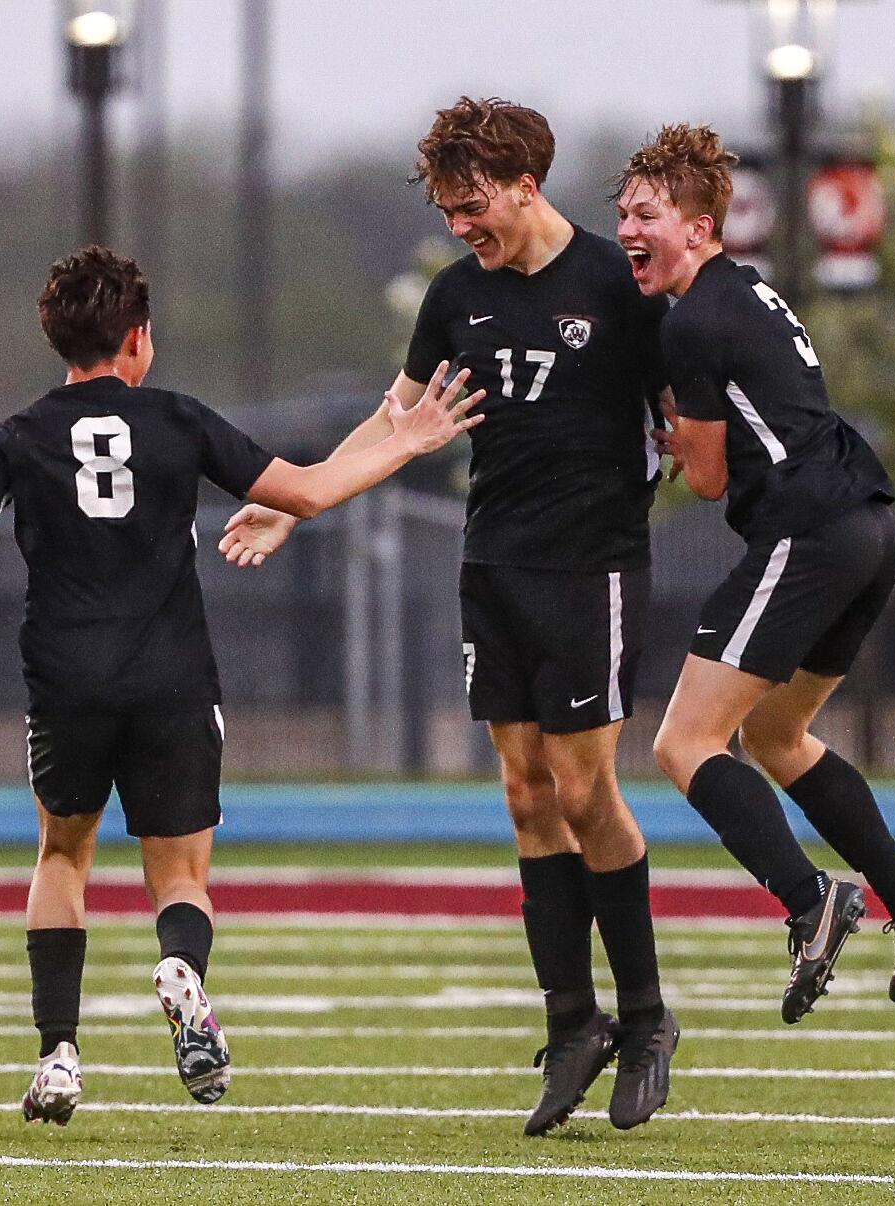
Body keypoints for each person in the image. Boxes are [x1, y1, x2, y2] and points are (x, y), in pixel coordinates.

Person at [0, 245, 481, 1124]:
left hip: (67, 682)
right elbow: (305, 493)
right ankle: (181, 968)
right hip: (171, 677)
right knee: (181, 876)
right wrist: (407, 439)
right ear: (137, 338)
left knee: (62, 856)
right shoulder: (177, 418)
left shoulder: (15, 436)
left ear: (57, 338)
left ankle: (59, 1055)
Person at [218, 97, 677, 1133]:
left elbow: (686, 408)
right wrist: (297, 501)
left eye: (472, 207)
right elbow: (396, 417)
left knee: (584, 787)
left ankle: (647, 1017)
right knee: (524, 794)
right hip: (493, 562)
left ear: (525, 184)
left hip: (591, 565)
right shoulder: (456, 296)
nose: (460, 227)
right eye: (446, 211)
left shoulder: (617, 283)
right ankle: (574, 1022)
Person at [614, 125, 895, 1024]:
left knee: (683, 745)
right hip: (866, 527)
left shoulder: (694, 319)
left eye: (646, 215)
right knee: (776, 734)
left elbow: (708, 479)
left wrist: (669, 438)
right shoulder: (749, 290)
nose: (627, 231)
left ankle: (812, 899)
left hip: (807, 535)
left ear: (700, 228)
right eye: (624, 214)